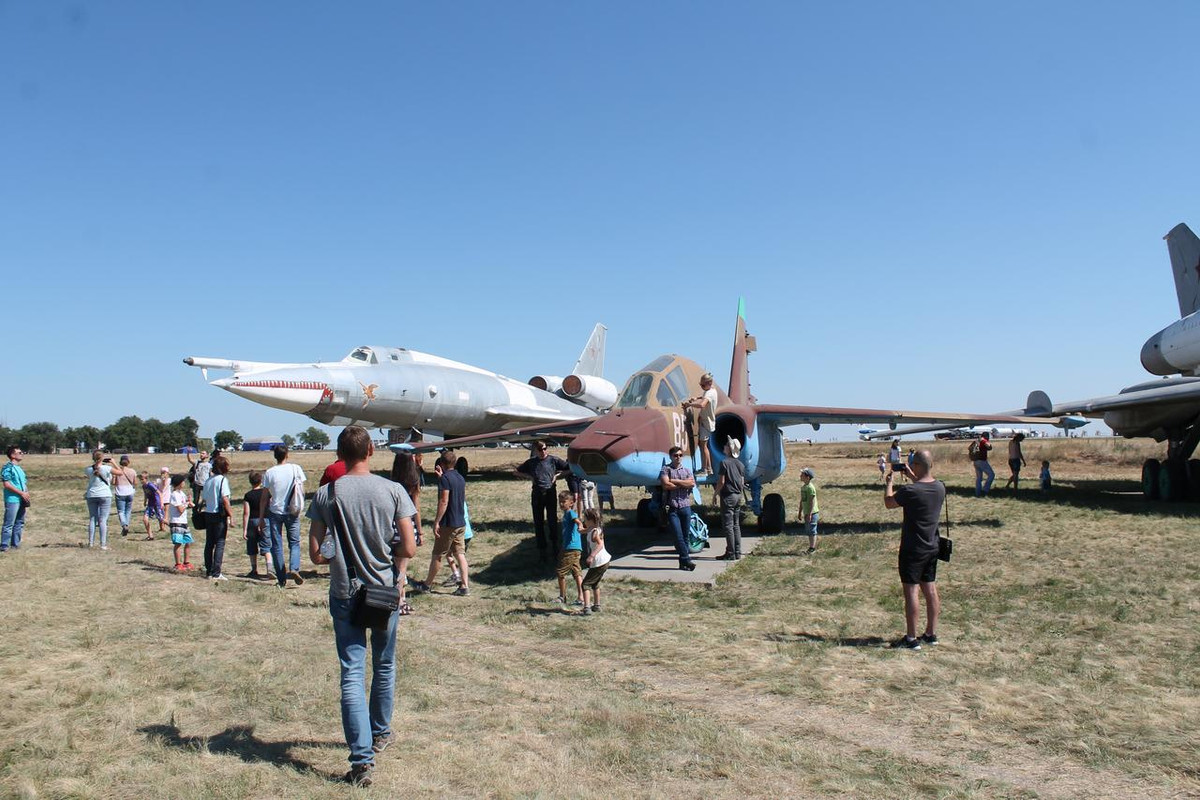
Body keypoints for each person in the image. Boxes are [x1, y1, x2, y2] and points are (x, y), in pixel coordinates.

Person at [306, 425, 417, 787]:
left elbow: (316, 555)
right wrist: (387, 559)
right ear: (371, 450)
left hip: (344, 591)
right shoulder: (393, 490)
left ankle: (361, 761)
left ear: (340, 454)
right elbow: (410, 548)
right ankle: (381, 732)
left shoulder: (327, 494)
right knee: (384, 664)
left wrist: (338, 555)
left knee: (352, 672)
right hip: (384, 591)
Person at [884, 449, 944, 650]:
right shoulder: (940, 488)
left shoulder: (910, 491)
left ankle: (911, 638)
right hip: (932, 546)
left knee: (911, 592)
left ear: (916, 466)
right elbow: (924, 487)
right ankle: (931, 633)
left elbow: (889, 503)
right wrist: (913, 476)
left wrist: (889, 485)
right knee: (930, 589)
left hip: (912, 548)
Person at [410, 451, 470, 597]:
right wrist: (441, 478)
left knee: (437, 554)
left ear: (441, 463)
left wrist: (436, 521)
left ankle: (426, 585)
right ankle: (464, 586)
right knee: (460, 554)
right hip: (461, 523)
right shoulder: (460, 478)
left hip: (448, 523)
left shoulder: (445, 479)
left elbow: (444, 501)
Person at [259, 444, 307, 587]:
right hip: (292, 510)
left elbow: (264, 497)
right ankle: (294, 568)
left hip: (275, 511)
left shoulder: (269, 472)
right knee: (294, 542)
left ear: (275, 456)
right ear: (287, 455)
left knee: (277, 545)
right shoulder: (296, 468)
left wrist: (261, 517)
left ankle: (281, 578)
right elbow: (301, 489)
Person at [516, 441, 571, 563]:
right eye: (540, 450)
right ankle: (542, 550)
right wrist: (530, 477)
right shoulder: (531, 462)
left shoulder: (553, 460)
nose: (543, 452)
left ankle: (555, 546)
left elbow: (569, 469)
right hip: (537, 494)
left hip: (550, 493)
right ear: (535, 450)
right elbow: (516, 471)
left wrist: (557, 476)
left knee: (552, 520)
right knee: (538, 522)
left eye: (545, 449)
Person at [659, 446, 697, 571]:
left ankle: (683, 563)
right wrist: (683, 484)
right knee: (678, 536)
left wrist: (675, 481)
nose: (678, 458)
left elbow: (691, 483)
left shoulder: (686, 470)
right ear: (670, 456)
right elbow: (665, 485)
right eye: (676, 455)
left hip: (686, 507)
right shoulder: (666, 469)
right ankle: (687, 559)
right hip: (673, 507)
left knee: (685, 536)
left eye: (680, 455)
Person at [200, 454, 233, 581]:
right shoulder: (222, 480)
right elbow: (225, 499)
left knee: (209, 543)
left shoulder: (208, 480)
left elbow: (205, 498)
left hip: (208, 513)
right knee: (220, 542)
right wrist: (231, 515)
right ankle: (217, 572)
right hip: (219, 514)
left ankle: (209, 571)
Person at [714, 438, 745, 560]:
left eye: (726, 444)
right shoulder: (740, 464)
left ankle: (730, 553)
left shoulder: (724, 463)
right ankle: (737, 551)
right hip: (738, 495)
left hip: (728, 496)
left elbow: (721, 482)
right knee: (736, 525)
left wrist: (715, 494)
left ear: (729, 449)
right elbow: (742, 482)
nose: (724, 446)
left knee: (728, 526)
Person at [683, 373, 719, 476]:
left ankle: (706, 469)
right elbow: (705, 397)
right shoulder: (711, 391)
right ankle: (708, 468)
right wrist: (697, 397)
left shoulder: (709, 394)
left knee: (704, 446)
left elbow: (702, 404)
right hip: (707, 422)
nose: (702, 387)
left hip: (706, 422)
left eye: (703, 385)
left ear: (709, 383)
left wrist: (689, 404)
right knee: (703, 445)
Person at [554, 490, 585, 605]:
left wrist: (580, 525)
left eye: (564, 502)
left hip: (571, 548)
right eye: (560, 502)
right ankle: (581, 597)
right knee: (576, 572)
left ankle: (562, 596)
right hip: (571, 547)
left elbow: (577, 520)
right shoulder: (566, 514)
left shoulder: (570, 513)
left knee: (560, 572)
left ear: (571, 503)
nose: (561, 504)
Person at [242, 471, 273, 580]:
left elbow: (246, 513)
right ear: (261, 481)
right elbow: (270, 506)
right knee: (266, 545)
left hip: (251, 521)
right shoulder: (267, 493)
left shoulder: (248, 495)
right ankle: (270, 568)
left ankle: (254, 569)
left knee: (251, 546)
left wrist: (244, 529)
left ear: (250, 482)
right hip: (265, 520)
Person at [580, 508, 610, 614]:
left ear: (591, 520)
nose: (584, 521)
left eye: (585, 519)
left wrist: (591, 556)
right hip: (604, 561)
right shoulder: (593, 528)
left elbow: (600, 544)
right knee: (595, 583)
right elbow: (582, 530)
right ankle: (597, 605)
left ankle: (587, 607)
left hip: (599, 562)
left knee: (585, 584)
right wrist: (578, 524)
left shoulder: (594, 532)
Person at [390, 452, 423, 545]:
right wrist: (420, 532)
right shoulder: (413, 483)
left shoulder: (391, 482)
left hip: (393, 527)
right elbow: (416, 509)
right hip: (408, 527)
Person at [1, 446, 29, 552]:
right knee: (9, 523)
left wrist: (26, 493)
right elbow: (6, 484)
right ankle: (4, 545)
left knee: (19, 522)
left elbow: (23, 483)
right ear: (12, 455)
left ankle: (15, 544)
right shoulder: (8, 468)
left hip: (22, 498)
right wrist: (21, 493)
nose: (22, 454)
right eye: (20, 452)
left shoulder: (19, 469)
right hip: (12, 499)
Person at [84, 450, 114, 550]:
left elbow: (91, 475)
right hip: (105, 494)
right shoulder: (107, 468)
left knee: (92, 519)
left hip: (92, 494)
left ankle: (91, 543)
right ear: (102, 458)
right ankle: (103, 544)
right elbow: (120, 472)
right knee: (103, 520)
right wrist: (113, 462)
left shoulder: (88, 469)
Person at [167, 474, 194, 571]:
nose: (184, 483)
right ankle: (178, 564)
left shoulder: (181, 493)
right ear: (178, 483)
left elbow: (185, 505)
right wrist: (187, 503)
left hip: (184, 521)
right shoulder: (174, 495)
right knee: (178, 543)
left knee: (188, 542)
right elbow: (180, 509)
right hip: (176, 522)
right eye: (182, 481)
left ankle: (186, 562)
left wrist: (189, 501)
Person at [112, 455, 138, 537]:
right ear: (128, 462)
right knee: (128, 510)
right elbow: (135, 483)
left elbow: (113, 483)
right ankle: (126, 524)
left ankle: (124, 525)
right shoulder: (132, 471)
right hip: (130, 492)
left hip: (120, 492)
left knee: (121, 511)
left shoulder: (117, 471)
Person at [799, 467, 819, 554]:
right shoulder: (803, 487)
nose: (800, 476)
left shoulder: (810, 488)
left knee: (812, 530)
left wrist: (810, 514)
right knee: (808, 530)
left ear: (807, 477)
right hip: (806, 512)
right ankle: (811, 547)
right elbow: (802, 500)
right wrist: (800, 512)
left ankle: (812, 548)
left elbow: (812, 502)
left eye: (802, 475)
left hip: (812, 513)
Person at [139, 471, 164, 540]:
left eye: (142, 479)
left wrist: (161, 503)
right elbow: (146, 494)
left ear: (146, 479)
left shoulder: (151, 485)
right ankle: (150, 535)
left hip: (157, 504)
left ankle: (173, 527)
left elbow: (159, 493)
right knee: (145, 519)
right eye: (140, 479)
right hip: (150, 504)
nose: (141, 480)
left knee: (162, 519)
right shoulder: (143, 486)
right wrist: (145, 501)